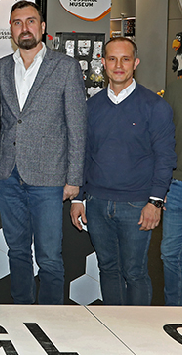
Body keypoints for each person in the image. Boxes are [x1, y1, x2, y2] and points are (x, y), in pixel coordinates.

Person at [0, 0, 86, 305]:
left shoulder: (65, 67)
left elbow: (77, 126)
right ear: (11, 29)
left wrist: (74, 179)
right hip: (8, 175)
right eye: (17, 22)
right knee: (17, 251)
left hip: (49, 178)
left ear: (42, 27)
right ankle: (22, 313)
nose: (24, 28)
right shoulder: (0, 68)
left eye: (30, 21)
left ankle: (51, 320)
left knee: (49, 257)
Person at [71, 38, 174, 305]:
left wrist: (155, 202)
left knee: (135, 272)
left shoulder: (156, 107)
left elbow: (165, 158)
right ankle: (113, 325)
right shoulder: (91, 107)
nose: (119, 65)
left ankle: (137, 328)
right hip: (96, 203)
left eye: (125, 59)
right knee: (108, 269)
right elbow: (83, 155)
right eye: (112, 59)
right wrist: (78, 198)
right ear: (103, 63)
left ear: (135, 63)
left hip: (137, 205)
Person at [163, 62, 182, 306]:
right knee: (170, 254)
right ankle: (173, 314)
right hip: (175, 184)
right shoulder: (175, 90)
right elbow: (163, 140)